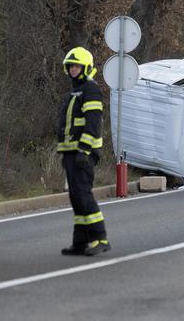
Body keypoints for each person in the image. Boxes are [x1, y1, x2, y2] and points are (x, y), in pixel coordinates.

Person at [57, 46, 111, 256]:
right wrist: (67, 152)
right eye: (71, 66)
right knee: (76, 198)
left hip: (84, 154)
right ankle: (80, 242)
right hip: (71, 153)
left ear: (86, 67)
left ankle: (101, 238)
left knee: (84, 196)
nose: (73, 69)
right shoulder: (75, 91)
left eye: (77, 66)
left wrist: (83, 150)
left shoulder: (90, 89)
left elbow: (93, 123)